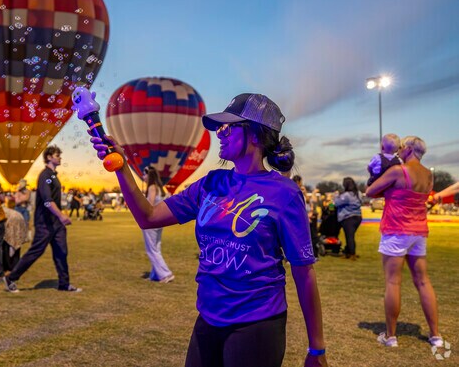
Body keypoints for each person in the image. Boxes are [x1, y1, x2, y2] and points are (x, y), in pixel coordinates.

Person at [91, 93, 327, 367]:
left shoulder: (284, 193)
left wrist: (317, 349)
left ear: (255, 134)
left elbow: (304, 272)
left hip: (257, 325)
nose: (220, 133)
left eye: (228, 126)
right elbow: (149, 216)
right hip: (208, 319)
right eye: (219, 127)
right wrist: (122, 169)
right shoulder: (211, 183)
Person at [366, 136, 445, 349]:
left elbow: (370, 192)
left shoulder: (397, 171)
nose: (399, 150)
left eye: (402, 147)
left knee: (393, 282)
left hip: (396, 229)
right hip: (419, 231)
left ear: (409, 149)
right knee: (423, 281)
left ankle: (390, 336)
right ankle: (435, 335)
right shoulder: (429, 175)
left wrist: (384, 185)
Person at [4, 145, 81, 293]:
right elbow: (47, 200)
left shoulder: (53, 176)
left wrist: (59, 218)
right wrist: (61, 215)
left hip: (55, 223)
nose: (60, 158)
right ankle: (11, 278)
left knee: (61, 252)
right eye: (57, 155)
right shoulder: (45, 176)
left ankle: (64, 284)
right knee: (36, 251)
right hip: (45, 222)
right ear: (49, 157)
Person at [141, 166, 174, 283]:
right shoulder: (160, 188)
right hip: (159, 221)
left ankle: (165, 274)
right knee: (156, 248)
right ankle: (156, 275)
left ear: (149, 175)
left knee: (151, 249)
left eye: (144, 174)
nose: (142, 176)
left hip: (151, 221)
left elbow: (149, 204)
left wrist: (139, 202)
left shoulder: (151, 187)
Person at [333, 177, 363, 260]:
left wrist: (336, 195)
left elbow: (336, 203)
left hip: (348, 218)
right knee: (350, 235)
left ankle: (352, 254)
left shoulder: (346, 195)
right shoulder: (358, 193)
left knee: (349, 237)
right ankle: (348, 252)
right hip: (358, 217)